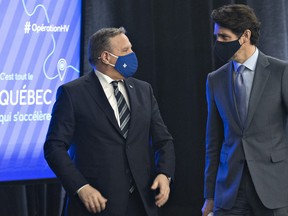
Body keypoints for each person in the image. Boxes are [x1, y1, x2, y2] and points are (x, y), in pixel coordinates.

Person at [44, 27, 175, 216]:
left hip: (142, 202)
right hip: (97, 204)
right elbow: (54, 147)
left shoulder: (143, 90)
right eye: (126, 50)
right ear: (106, 57)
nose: (132, 54)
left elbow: (163, 140)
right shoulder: (73, 93)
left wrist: (165, 173)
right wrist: (81, 187)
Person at [202, 4, 288, 216]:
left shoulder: (281, 72)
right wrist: (210, 196)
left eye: (224, 37)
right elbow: (213, 141)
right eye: (217, 37)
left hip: (273, 189)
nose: (218, 43)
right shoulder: (215, 80)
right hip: (229, 191)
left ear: (245, 35)